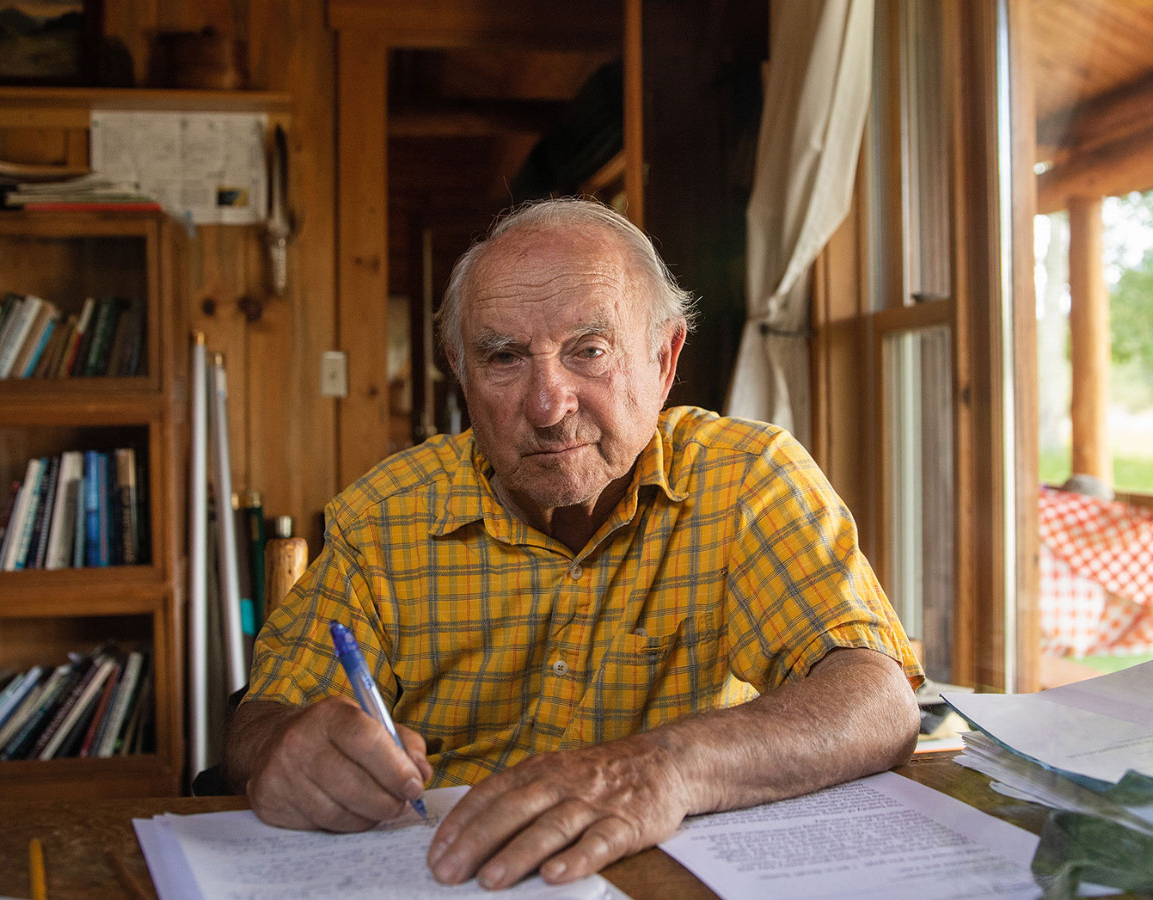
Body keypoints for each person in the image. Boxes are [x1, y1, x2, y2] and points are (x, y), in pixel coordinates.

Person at [225, 197, 922, 890]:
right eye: (503, 357)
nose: (549, 404)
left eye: (589, 351)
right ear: (461, 375)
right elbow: (262, 719)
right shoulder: (385, 518)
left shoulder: (745, 481)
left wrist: (660, 768)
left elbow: (878, 701)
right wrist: (282, 750)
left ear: (664, 358)